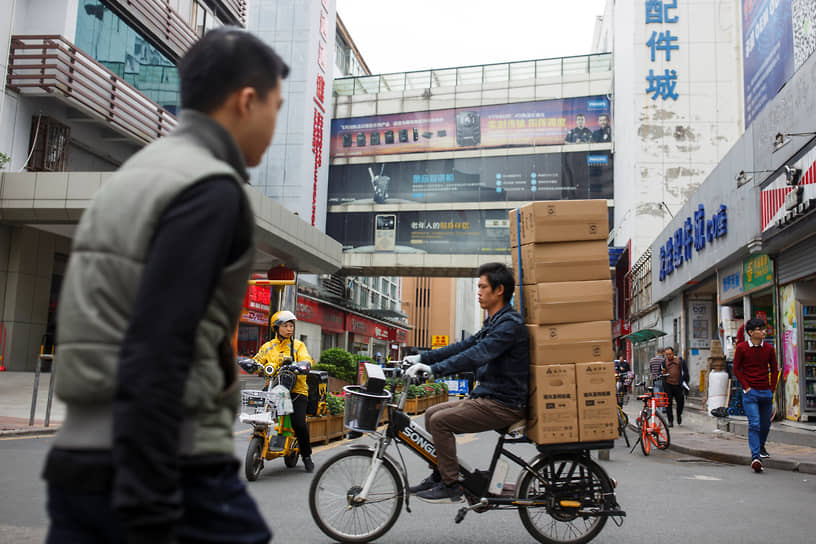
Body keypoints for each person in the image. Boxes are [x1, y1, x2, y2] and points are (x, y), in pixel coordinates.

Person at [42, 27, 288, 543]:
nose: (274, 125)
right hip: (169, 463)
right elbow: (158, 341)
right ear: (247, 100)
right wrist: (148, 503)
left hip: (80, 458)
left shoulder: (136, 174)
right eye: (276, 107)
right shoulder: (210, 189)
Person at [404, 262, 529, 503]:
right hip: (489, 397)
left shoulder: (509, 325)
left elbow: (476, 355)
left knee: (440, 422)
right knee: (431, 414)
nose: (478, 292)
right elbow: (464, 346)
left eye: (483, 287)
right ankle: (441, 474)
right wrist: (421, 357)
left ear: (499, 290)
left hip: (504, 403)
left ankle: (451, 485)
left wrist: (433, 370)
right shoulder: (495, 322)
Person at [253, 310, 315, 472]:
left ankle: (306, 456)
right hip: (276, 389)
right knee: (260, 417)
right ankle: (260, 446)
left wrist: (303, 365)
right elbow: (257, 360)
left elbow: (306, 359)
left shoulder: (298, 346)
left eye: (291, 326)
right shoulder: (268, 347)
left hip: (297, 390)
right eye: (285, 326)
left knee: (299, 424)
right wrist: (252, 365)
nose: (289, 329)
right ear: (276, 328)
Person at [733, 318, 778, 473]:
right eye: (760, 329)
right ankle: (755, 457)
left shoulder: (769, 349)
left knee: (765, 425)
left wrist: (772, 388)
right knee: (754, 424)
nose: (763, 332)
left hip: (766, 392)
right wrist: (746, 387)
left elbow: (774, 368)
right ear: (751, 333)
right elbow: (736, 369)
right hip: (750, 393)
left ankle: (761, 446)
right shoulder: (741, 348)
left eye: (764, 329)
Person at [662, 347, 689, 427]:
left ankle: (679, 415)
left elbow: (686, 372)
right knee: (668, 403)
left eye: (670, 354)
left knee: (680, 402)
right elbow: (661, 372)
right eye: (667, 355)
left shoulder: (680, 361)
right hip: (668, 385)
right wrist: (663, 373)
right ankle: (670, 420)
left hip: (678, 385)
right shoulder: (664, 362)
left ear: (673, 353)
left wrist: (685, 382)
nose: (668, 356)